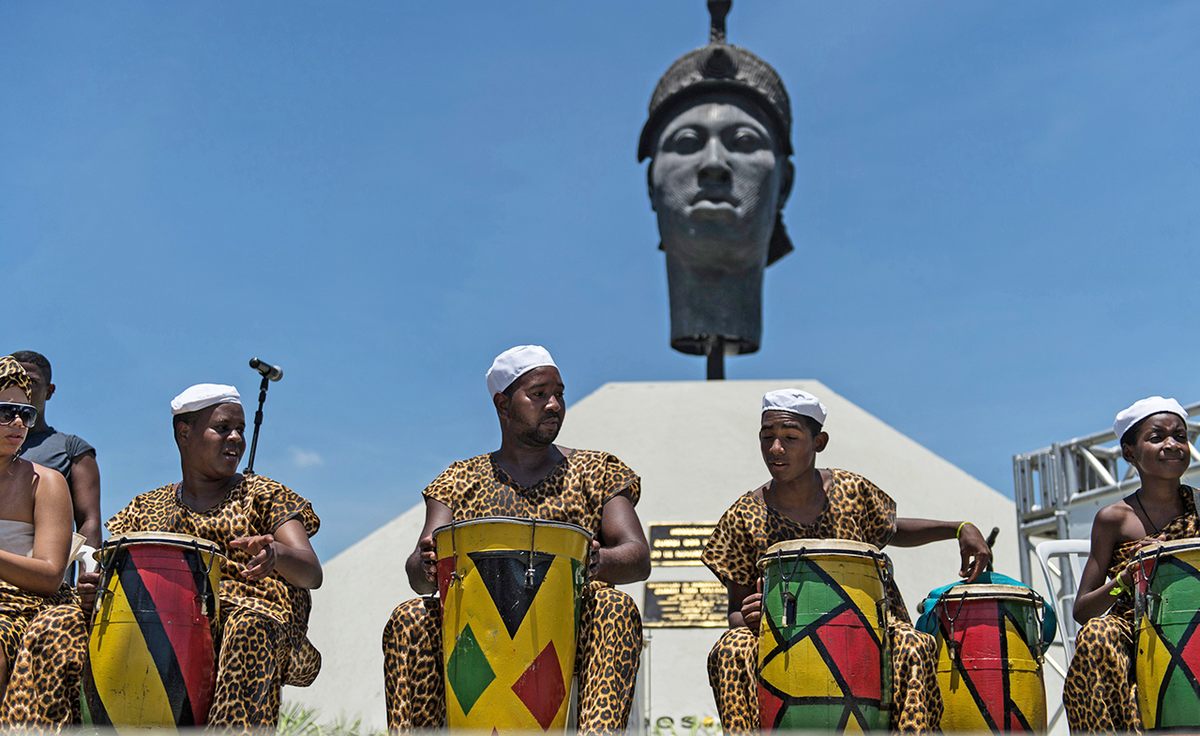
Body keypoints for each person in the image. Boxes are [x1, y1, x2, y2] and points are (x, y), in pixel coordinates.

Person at [8, 383, 324, 729]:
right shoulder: (146, 508)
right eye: (222, 428)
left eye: (240, 430)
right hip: (158, 622)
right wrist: (95, 592)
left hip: (255, 624)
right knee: (55, 624)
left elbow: (311, 573)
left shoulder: (263, 494)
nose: (235, 438)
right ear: (184, 433)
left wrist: (276, 553)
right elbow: (113, 580)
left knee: (247, 629)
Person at [383, 345, 651, 734]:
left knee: (614, 606)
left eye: (559, 393)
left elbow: (637, 555)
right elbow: (419, 571)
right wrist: (426, 562)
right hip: (479, 635)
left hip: (565, 632)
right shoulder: (459, 479)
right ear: (503, 405)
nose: (554, 404)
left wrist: (597, 561)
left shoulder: (597, 470)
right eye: (539, 394)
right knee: (410, 616)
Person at [702, 389, 992, 734]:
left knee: (915, 645)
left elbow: (892, 529)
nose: (776, 449)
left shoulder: (852, 490)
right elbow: (736, 609)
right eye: (768, 438)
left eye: (790, 438)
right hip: (783, 639)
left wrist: (959, 528)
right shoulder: (743, 516)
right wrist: (750, 618)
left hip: (871, 625)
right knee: (730, 650)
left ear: (818, 442)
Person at [1063, 396, 1194, 732]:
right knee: (1096, 634)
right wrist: (1126, 576)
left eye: (1180, 436)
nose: (1172, 444)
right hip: (1134, 630)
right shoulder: (1113, 520)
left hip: (1194, 618)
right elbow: (1082, 610)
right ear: (1130, 453)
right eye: (1157, 437)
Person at [0, 356, 78, 723]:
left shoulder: (46, 482)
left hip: (21, 604)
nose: (18, 423)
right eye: (6, 412)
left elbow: (49, 575)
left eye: (26, 414)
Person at [12, 350, 102, 549]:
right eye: (14, 382)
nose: (23, 388)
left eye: (31, 382)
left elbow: (88, 520)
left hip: (43, 572)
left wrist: (90, 572)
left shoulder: (71, 449)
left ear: (49, 391)